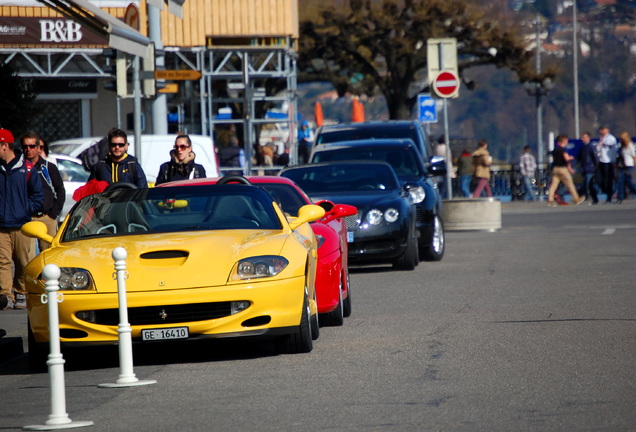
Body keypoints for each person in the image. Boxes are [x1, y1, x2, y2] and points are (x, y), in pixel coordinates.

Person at [0, 128, 44, 310]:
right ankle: (5, 295)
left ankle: (21, 293)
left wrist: (24, 210)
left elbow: (38, 196)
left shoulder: (27, 168)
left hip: (22, 224)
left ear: (4, 146)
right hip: (1, 226)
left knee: (22, 260)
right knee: (2, 261)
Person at [21, 131, 65, 250]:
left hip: (47, 217)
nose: (28, 149)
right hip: (27, 218)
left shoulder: (49, 167)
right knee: (27, 257)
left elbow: (60, 190)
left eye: (32, 146)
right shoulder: (19, 168)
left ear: (39, 148)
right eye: (25, 146)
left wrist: (53, 214)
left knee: (48, 255)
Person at [547, 135, 585, 207]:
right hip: (562, 169)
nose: (567, 142)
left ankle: (550, 200)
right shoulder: (562, 149)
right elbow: (566, 159)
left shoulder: (555, 149)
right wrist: (570, 158)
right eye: (566, 141)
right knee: (570, 184)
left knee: (553, 186)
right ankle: (576, 199)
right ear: (563, 141)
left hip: (555, 169)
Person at [577, 132, 599, 204]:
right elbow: (579, 158)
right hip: (584, 169)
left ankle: (581, 196)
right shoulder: (582, 147)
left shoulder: (590, 146)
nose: (582, 139)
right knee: (587, 184)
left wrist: (596, 167)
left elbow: (595, 158)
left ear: (588, 138)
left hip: (590, 168)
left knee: (588, 184)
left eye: (584, 137)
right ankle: (586, 197)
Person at [597, 126, 617, 204]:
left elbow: (612, 148)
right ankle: (610, 192)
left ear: (607, 130)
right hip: (601, 161)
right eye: (600, 129)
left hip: (608, 162)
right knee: (599, 180)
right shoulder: (601, 138)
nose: (601, 131)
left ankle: (609, 197)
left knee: (608, 180)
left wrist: (614, 161)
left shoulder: (611, 138)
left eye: (603, 129)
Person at [615, 131, 636, 203]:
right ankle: (620, 197)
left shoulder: (630, 145)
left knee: (628, 182)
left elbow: (634, 156)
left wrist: (634, 164)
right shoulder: (622, 146)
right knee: (621, 181)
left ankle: (621, 196)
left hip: (629, 165)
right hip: (623, 165)